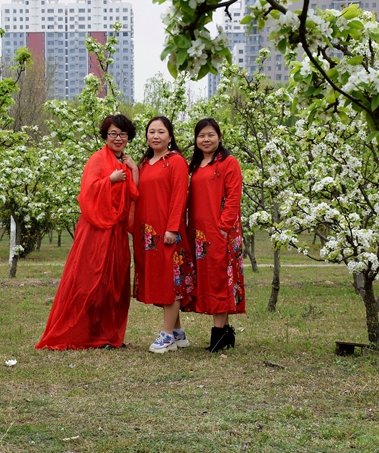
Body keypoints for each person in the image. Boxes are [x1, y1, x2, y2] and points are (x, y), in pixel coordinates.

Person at [35, 114, 140, 350]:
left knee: (114, 284)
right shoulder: (97, 160)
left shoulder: (124, 161)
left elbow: (134, 195)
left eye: (123, 134)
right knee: (90, 281)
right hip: (96, 230)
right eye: (113, 133)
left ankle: (108, 335)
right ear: (106, 135)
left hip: (117, 232)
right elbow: (87, 194)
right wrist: (110, 181)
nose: (118, 138)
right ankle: (85, 334)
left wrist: (133, 171)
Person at [132, 116, 194, 354]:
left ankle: (166, 334)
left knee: (171, 281)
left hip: (168, 232)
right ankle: (178, 333)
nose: (155, 136)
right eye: (151, 132)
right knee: (161, 279)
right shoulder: (145, 163)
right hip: (148, 233)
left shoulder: (176, 161)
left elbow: (180, 196)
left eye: (161, 132)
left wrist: (172, 228)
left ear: (170, 136)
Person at [186, 117, 246, 352]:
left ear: (219, 137)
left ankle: (218, 336)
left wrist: (223, 227)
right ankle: (227, 333)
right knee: (211, 279)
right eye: (201, 136)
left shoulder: (228, 163)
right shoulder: (197, 165)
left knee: (220, 279)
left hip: (221, 232)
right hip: (200, 234)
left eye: (210, 134)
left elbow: (233, 197)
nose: (206, 139)